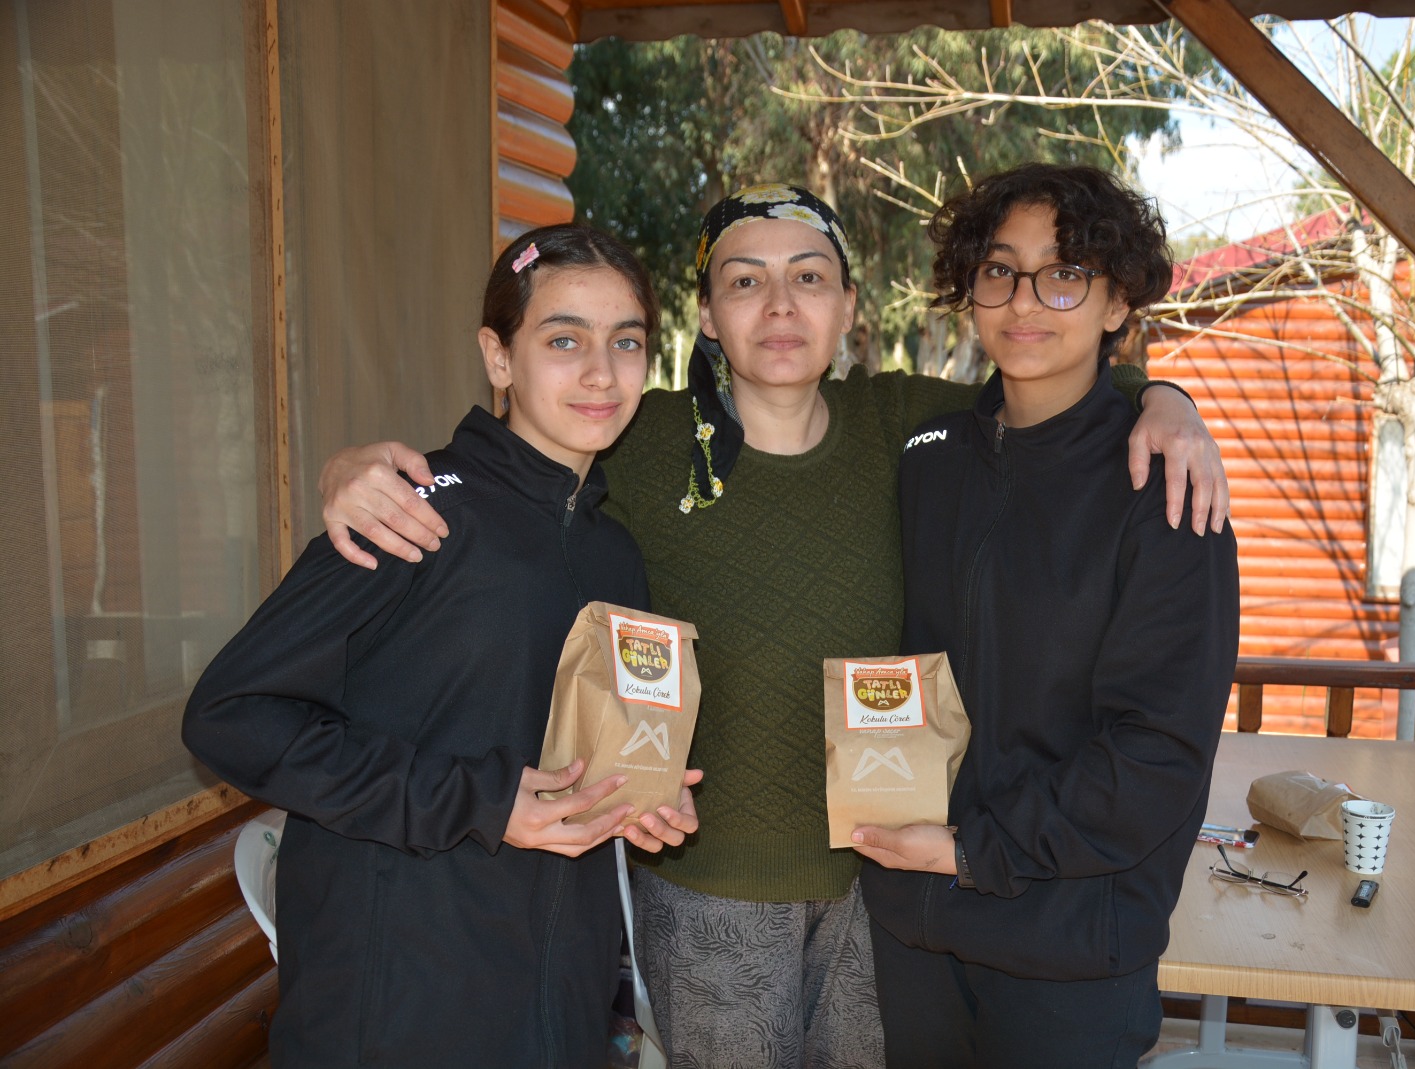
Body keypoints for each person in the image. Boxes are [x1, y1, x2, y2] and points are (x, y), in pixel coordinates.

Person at [316, 184, 1229, 1069]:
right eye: (746, 280)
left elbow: (1044, 384)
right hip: (710, 888)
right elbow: (515, 464)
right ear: (708, 315)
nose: (781, 306)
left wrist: (1164, 398)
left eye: (809, 277)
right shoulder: (640, 435)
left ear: (848, 306)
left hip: (881, 883)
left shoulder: (905, 425)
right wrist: (354, 470)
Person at [183, 224, 701, 1069]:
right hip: (399, 1012)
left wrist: (637, 794)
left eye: (627, 341)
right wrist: (480, 801)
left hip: (555, 1011)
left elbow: (562, 750)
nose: (601, 373)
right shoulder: (414, 512)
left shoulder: (614, 553)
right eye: (563, 339)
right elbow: (230, 715)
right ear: (498, 357)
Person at [850, 163, 1240, 1068]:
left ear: (1117, 302)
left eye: (1064, 273)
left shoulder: (1164, 491)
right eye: (1000, 271)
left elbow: (1157, 756)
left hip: (1068, 950)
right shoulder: (929, 461)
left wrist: (970, 849)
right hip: (915, 930)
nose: (1025, 301)